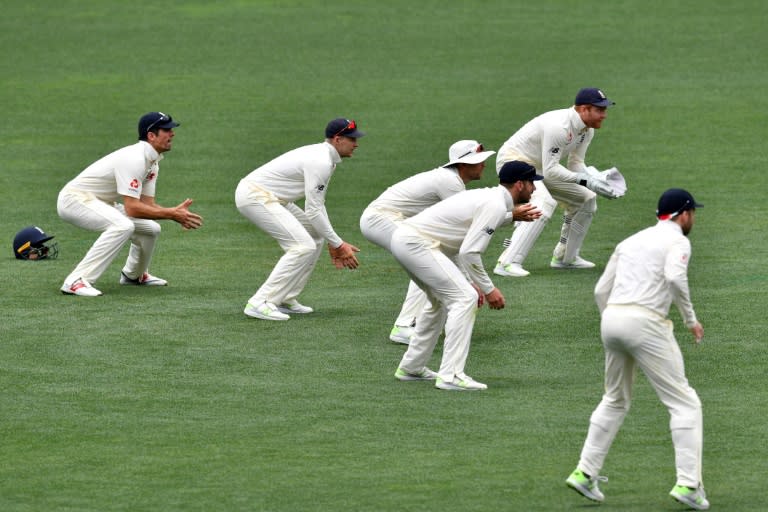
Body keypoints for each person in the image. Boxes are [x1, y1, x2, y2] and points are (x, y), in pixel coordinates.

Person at [565, 188, 708, 510]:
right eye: (693, 213)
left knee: (614, 399)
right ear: (683, 214)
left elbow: (602, 289)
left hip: (612, 319)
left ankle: (585, 472)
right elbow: (674, 277)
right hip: (645, 322)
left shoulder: (630, 241)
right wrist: (690, 320)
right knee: (685, 403)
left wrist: (615, 322)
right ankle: (688, 484)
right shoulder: (678, 241)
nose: (693, 219)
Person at [391, 161, 542, 391]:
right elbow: (469, 252)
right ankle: (451, 375)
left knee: (439, 303)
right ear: (520, 184)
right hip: (417, 244)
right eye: (532, 183)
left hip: (407, 241)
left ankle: (412, 367)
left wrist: (512, 217)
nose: (535, 189)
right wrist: (488, 289)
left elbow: (475, 224)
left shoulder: (490, 199)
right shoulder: (494, 204)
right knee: (465, 298)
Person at [361, 140, 503, 344]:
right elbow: (465, 229)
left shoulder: (450, 180)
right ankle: (405, 325)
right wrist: (471, 281)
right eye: (479, 160)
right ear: (464, 165)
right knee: (424, 258)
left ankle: (416, 322)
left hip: (385, 220)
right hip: (380, 220)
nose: (484, 164)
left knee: (426, 260)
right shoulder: (450, 183)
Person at [57, 112, 203, 297]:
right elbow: (132, 208)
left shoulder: (152, 163)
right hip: (74, 200)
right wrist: (172, 214)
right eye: (166, 130)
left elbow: (146, 205)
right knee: (122, 225)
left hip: (99, 202)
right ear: (151, 135)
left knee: (151, 228)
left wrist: (173, 212)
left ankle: (134, 275)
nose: (172, 134)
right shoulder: (134, 158)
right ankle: (76, 281)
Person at [236, 118, 363, 321]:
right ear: (338, 139)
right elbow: (313, 210)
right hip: (255, 196)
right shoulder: (321, 161)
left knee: (314, 236)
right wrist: (338, 244)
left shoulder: (326, 158)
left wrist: (331, 239)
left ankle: (285, 297)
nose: (356, 143)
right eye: (351, 139)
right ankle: (260, 302)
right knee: (302, 246)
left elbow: (317, 206)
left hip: (273, 198)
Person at [493, 87, 620, 278]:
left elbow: (576, 164)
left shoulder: (587, 130)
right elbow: (552, 170)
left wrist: (597, 180)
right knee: (544, 201)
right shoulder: (559, 127)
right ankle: (507, 262)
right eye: (600, 110)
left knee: (587, 198)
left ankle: (565, 257)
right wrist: (586, 180)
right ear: (584, 109)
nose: (604, 115)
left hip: (541, 167)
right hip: (513, 162)